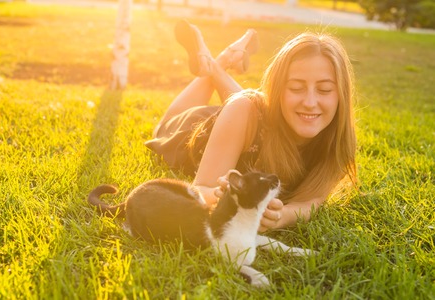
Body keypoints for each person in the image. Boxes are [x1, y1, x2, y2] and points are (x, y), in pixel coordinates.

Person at [145, 20, 357, 232]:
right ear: (278, 90)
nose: (310, 102)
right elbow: (200, 190)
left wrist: (283, 216)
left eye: (325, 90)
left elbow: (313, 201)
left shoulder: (337, 139)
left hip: (246, 121)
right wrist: (224, 196)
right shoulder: (243, 111)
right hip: (194, 130)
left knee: (247, 106)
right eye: (296, 87)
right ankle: (215, 62)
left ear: (341, 95)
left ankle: (220, 62)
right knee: (162, 127)